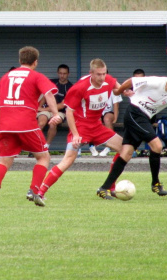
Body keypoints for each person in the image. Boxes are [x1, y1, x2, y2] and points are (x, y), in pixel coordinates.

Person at [33, 58, 124, 206]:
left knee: (125, 149)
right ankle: (40, 192)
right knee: (68, 160)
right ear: (91, 73)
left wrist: (128, 91)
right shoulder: (80, 87)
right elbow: (69, 112)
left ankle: (108, 187)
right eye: (98, 75)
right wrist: (76, 135)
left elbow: (117, 87)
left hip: (97, 127)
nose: (102, 77)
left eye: (104, 74)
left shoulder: (108, 80)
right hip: (80, 127)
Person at [96, 69, 167, 200]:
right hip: (134, 113)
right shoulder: (157, 82)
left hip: (144, 118)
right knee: (157, 146)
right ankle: (155, 183)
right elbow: (131, 81)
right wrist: (118, 92)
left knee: (127, 153)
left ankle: (104, 188)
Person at [0, 46, 61, 208]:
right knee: (43, 157)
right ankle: (33, 191)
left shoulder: (6, 77)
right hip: (26, 124)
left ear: (20, 61)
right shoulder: (36, 76)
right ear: (35, 62)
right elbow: (49, 93)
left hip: (6, 125)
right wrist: (55, 114)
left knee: (4, 161)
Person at [36, 64, 73, 147]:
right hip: (45, 110)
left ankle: (46, 146)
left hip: (60, 112)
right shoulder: (52, 82)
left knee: (53, 123)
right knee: (41, 122)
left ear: (68, 74)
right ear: (57, 73)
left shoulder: (70, 87)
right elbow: (45, 95)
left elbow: (62, 105)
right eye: (60, 73)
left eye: (64, 73)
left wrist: (43, 109)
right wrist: (39, 108)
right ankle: (36, 146)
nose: (62, 75)